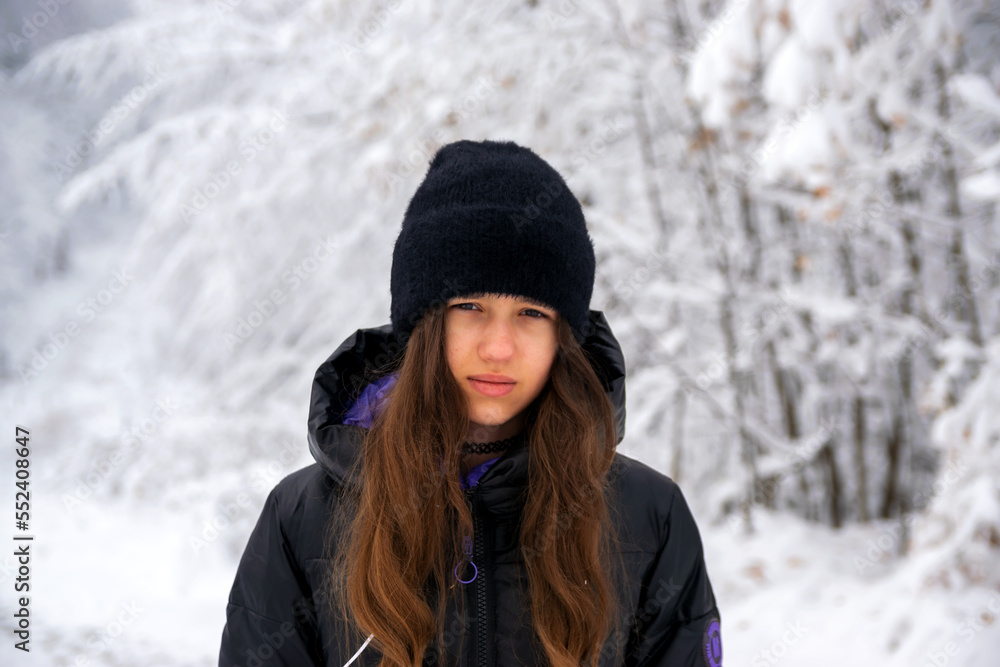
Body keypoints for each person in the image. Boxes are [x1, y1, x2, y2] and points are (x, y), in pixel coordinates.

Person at [218, 139, 722, 667]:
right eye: (469, 306)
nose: (498, 347)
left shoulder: (650, 515)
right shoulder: (303, 517)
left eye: (531, 313)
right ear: (424, 326)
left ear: (562, 338)